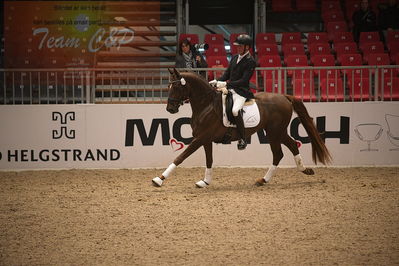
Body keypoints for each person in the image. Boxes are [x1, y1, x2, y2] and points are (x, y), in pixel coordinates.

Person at [209, 34, 256, 150]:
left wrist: (226, 84)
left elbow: (244, 80)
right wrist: (217, 80)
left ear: (247, 47)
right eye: (237, 46)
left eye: (240, 46)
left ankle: (242, 138)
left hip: (241, 91)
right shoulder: (235, 57)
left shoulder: (250, 61)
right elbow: (227, 74)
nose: (238, 48)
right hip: (230, 89)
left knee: (235, 111)